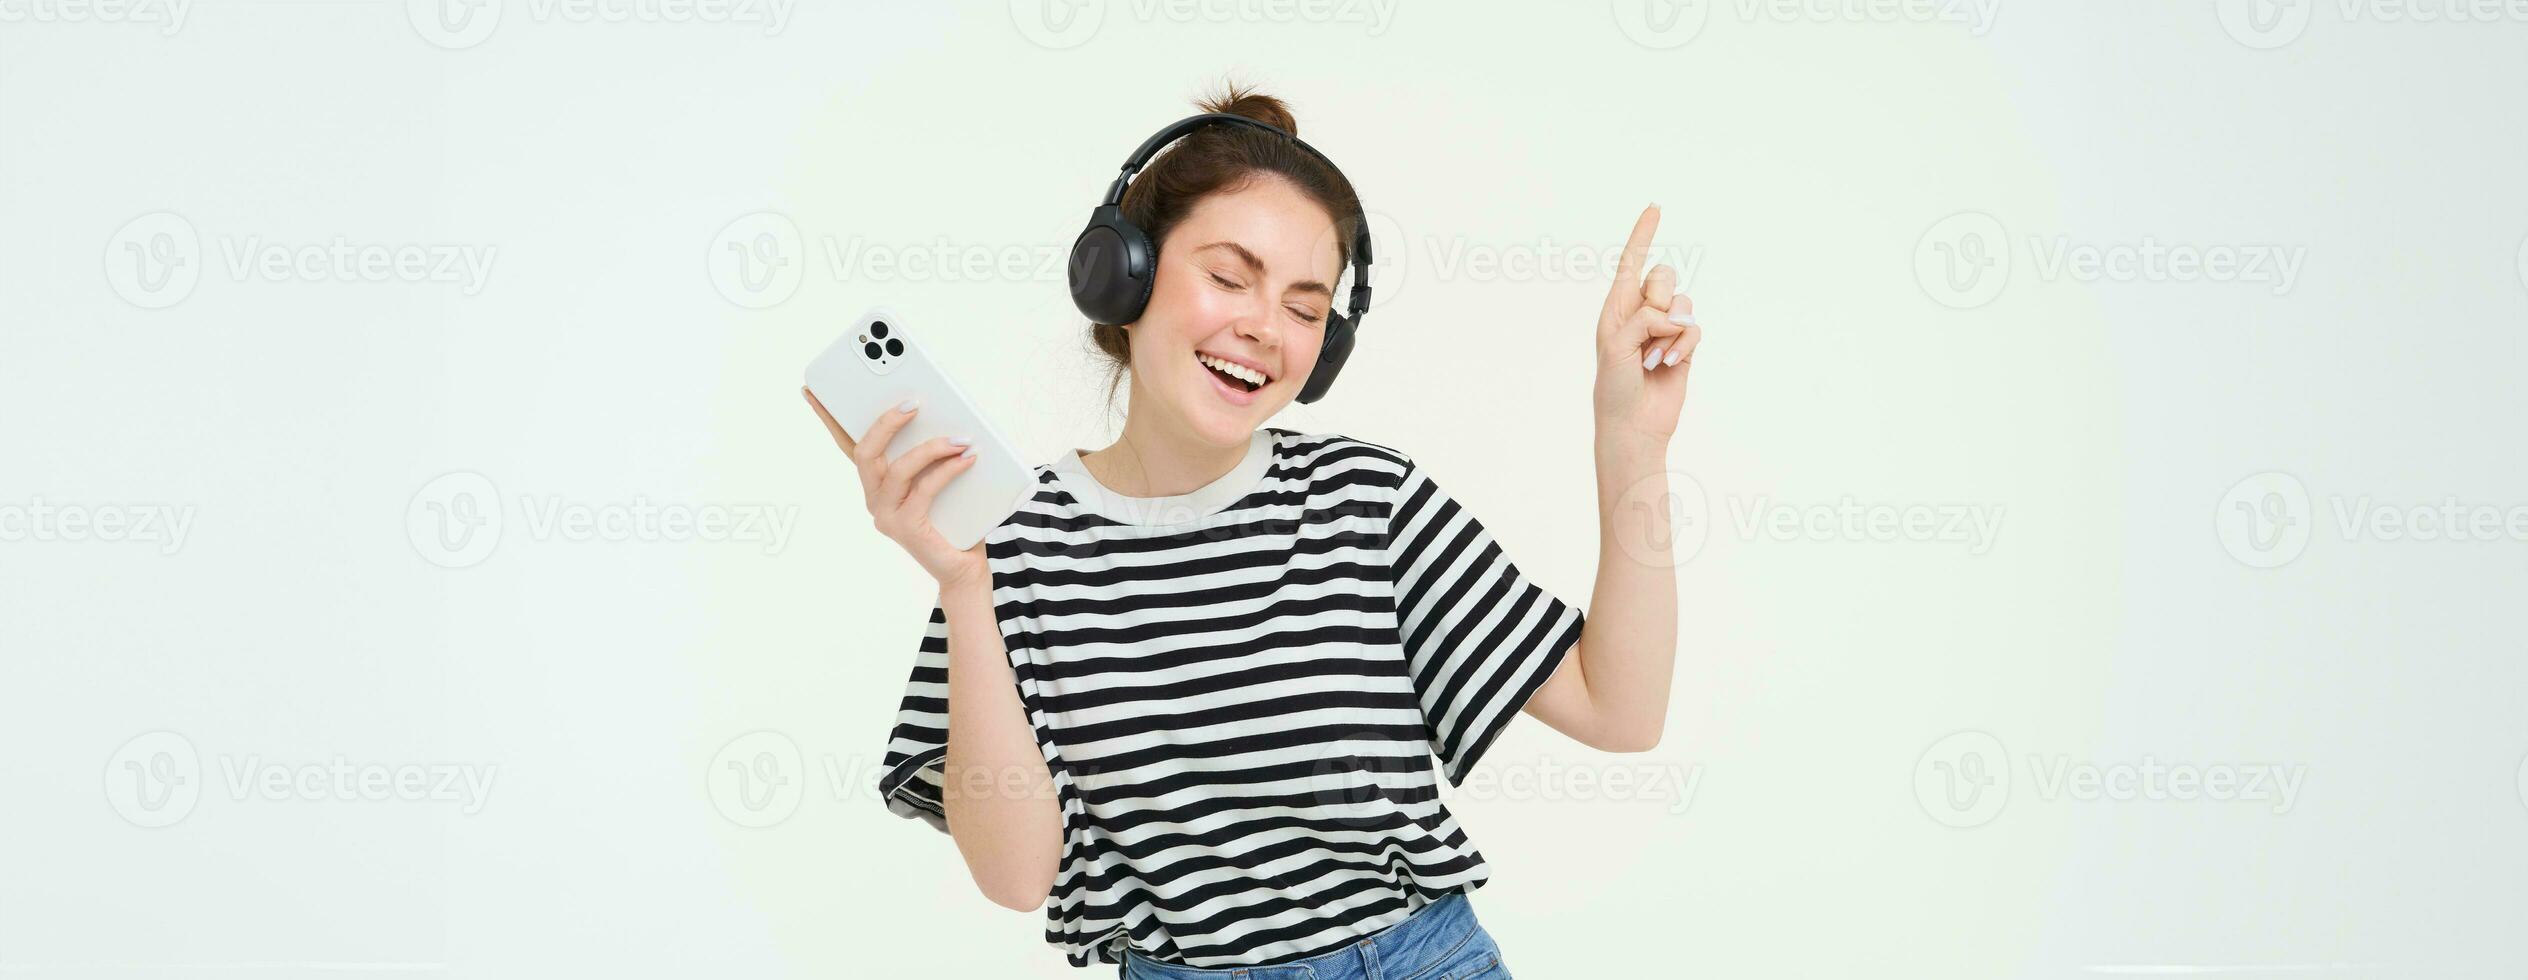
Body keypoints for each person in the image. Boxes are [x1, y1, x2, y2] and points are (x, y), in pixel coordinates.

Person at [804, 81, 1700, 977]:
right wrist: (966, 587)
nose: (1264, 328)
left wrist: (1632, 443)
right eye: (1229, 277)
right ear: (1128, 274)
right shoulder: (1011, 542)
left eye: (1307, 309)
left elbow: (1617, 710)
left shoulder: (1364, 500)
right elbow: (1014, 878)